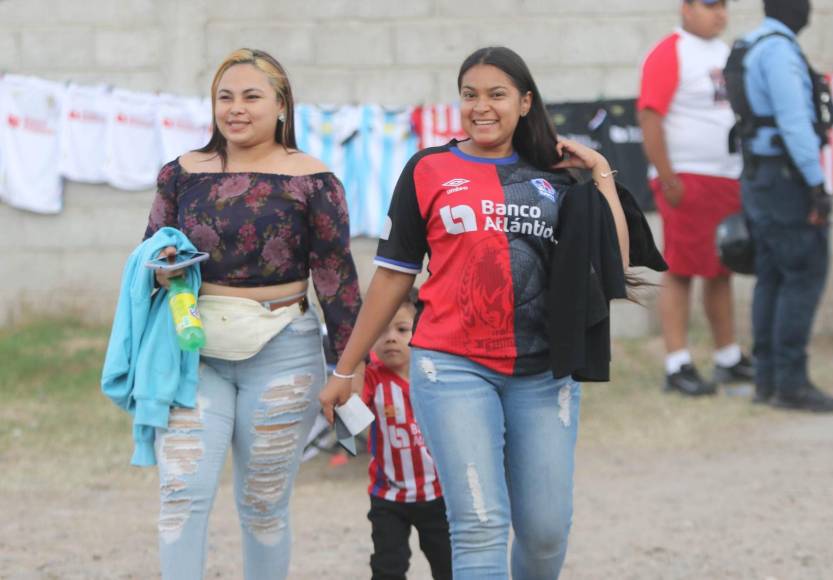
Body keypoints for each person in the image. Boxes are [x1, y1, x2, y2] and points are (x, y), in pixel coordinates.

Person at [320, 46, 631, 579]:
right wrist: (347, 368)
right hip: (451, 367)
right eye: (470, 95)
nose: (481, 107)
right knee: (480, 525)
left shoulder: (556, 177)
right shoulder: (429, 168)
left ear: (525, 102)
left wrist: (600, 172)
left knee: (546, 530)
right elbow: (394, 273)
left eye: (496, 94)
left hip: (542, 372)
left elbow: (614, 265)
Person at [143, 48, 362, 578]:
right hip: (192, 351)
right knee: (180, 496)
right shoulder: (180, 173)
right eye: (225, 97)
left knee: (263, 506)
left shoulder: (314, 179)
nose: (235, 109)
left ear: (281, 105)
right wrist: (159, 269)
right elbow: (148, 252)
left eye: (251, 97)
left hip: (284, 351)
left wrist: (347, 369)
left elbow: (335, 277)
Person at [638, 0, 754, 397]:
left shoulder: (725, 53)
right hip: (686, 177)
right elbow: (650, 115)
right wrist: (668, 178)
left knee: (722, 267)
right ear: (686, 8)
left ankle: (727, 356)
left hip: (726, 177)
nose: (719, 13)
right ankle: (677, 363)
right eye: (709, 4)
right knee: (683, 268)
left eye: (723, 5)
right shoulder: (670, 50)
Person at [737, 0, 833, 412]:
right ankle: (791, 383)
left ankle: (767, 381)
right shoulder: (779, 50)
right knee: (803, 271)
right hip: (785, 180)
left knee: (772, 276)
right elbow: (794, 122)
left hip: (759, 177)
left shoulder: (749, 43)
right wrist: (816, 183)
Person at [359, 288, 452, 580]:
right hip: (389, 496)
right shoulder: (372, 378)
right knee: (387, 568)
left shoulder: (437, 373)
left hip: (438, 494)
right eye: (382, 330)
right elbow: (350, 410)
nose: (390, 338)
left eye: (401, 329)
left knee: (449, 566)